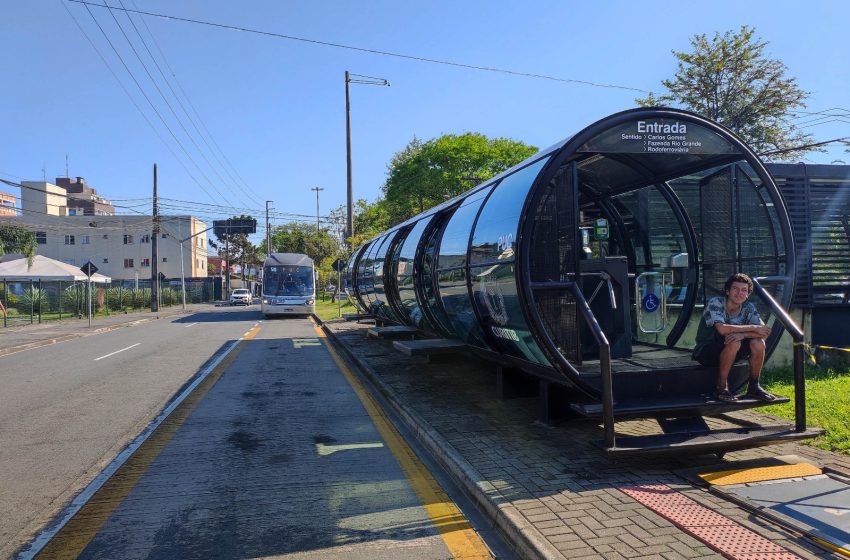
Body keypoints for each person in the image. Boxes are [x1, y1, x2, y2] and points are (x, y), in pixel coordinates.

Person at [692, 273, 776, 403]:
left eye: (744, 290)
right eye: (735, 289)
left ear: (748, 294)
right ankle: (721, 387)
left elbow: (764, 332)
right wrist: (753, 327)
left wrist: (743, 334)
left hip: (732, 350)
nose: (739, 293)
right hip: (706, 351)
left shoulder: (749, 307)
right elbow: (722, 329)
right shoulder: (716, 302)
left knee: (758, 342)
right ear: (728, 291)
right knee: (734, 341)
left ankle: (754, 385)